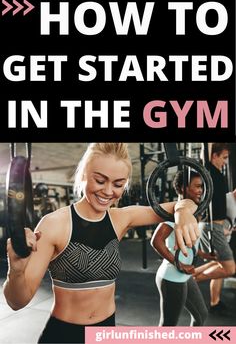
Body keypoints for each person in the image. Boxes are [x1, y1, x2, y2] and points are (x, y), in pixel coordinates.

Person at [3, 143, 199, 344]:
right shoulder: (54, 224)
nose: (107, 191)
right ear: (84, 175)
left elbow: (189, 202)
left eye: (118, 184)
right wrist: (16, 271)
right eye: (100, 180)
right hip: (64, 336)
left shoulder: (121, 218)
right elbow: (17, 301)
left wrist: (182, 211)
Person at [151, 170, 217, 326]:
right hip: (171, 277)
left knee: (201, 315)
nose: (201, 190)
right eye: (197, 186)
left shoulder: (193, 212)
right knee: (168, 325)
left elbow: (189, 245)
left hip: (184, 276)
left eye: (202, 186)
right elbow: (156, 241)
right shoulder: (175, 213)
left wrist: (204, 255)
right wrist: (178, 263)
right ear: (182, 189)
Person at [194, 143, 236, 314]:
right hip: (212, 227)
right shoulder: (209, 171)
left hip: (216, 226)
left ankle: (215, 302)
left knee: (217, 263)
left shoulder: (218, 174)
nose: (225, 162)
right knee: (229, 268)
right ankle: (191, 279)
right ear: (214, 156)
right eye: (224, 157)